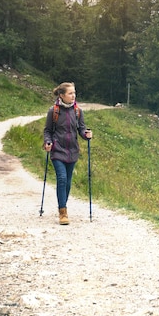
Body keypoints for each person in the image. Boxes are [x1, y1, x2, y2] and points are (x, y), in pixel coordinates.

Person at [43, 82, 92, 225]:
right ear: (62, 95)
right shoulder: (54, 111)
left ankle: (63, 205)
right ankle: (62, 212)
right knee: (62, 179)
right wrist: (48, 142)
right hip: (57, 151)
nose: (73, 96)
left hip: (72, 152)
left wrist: (86, 134)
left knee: (68, 183)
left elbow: (81, 129)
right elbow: (47, 130)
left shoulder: (77, 111)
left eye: (74, 93)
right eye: (70, 93)